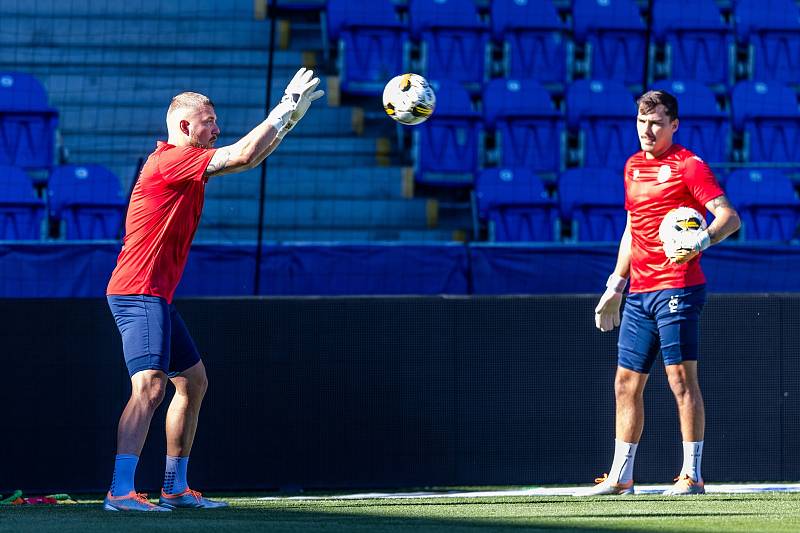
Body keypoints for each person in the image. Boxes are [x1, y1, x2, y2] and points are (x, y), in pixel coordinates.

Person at [103, 68, 324, 511]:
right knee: (148, 386)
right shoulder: (169, 160)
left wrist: (290, 120)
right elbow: (242, 155)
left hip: (155, 295)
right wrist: (283, 109)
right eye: (210, 121)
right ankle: (119, 491)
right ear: (185, 126)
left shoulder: (185, 165)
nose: (217, 127)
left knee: (193, 383)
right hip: (138, 291)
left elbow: (249, 156)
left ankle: (174, 488)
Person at [583, 90, 740, 496]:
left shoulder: (689, 166)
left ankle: (692, 475)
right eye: (641, 121)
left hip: (679, 288)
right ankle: (621, 477)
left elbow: (729, 218)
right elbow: (633, 229)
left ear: (674, 125)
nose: (647, 130)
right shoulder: (632, 167)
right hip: (639, 292)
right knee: (624, 383)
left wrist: (701, 241)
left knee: (680, 381)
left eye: (656, 122)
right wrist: (615, 285)